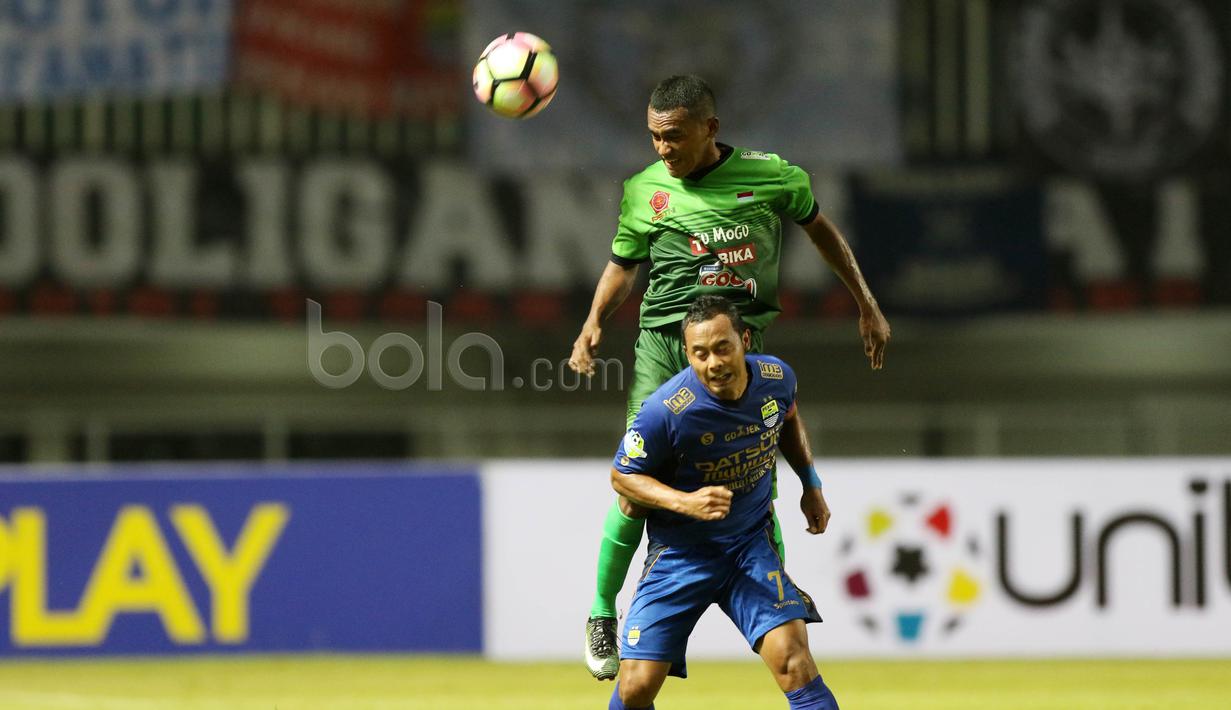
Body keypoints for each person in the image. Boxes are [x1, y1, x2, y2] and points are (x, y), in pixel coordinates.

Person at [569, 74, 890, 680]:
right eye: (654, 137)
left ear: (710, 130)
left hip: (738, 346)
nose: (663, 149)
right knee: (634, 484)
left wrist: (865, 302)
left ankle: (770, 600)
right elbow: (621, 265)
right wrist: (593, 322)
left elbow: (822, 231)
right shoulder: (644, 190)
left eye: (675, 137)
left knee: (751, 478)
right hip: (665, 349)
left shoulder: (774, 177)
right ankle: (601, 608)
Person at [606, 295, 838, 710]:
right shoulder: (665, 411)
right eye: (700, 353)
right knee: (636, 688)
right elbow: (622, 476)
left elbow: (787, 418)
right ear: (687, 354)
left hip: (748, 548)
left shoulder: (776, 377)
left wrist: (810, 483)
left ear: (744, 340)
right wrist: (684, 502)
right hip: (680, 556)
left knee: (794, 663)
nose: (713, 362)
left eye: (721, 347)